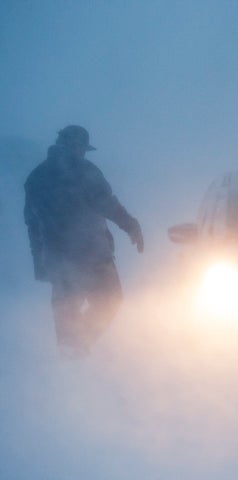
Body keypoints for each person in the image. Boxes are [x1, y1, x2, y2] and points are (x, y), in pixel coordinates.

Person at [24, 125, 144, 356]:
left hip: (56, 257)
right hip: (92, 253)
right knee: (109, 300)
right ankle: (78, 348)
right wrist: (131, 225)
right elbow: (107, 204)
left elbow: (33, 225)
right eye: (82, 148)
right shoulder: (84, 170)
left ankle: (68, 363)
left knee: (66, 309)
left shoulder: (35, 177)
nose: (83, 153)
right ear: (76, 145)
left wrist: (39, 261)